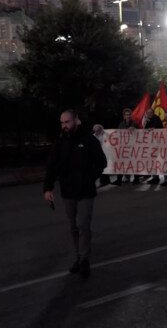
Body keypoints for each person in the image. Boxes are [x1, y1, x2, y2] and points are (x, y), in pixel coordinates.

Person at [43, 110, 107, 279]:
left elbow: (101, 162)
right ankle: (77, 258)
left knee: (84, 226)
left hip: (85, 192)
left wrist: (89, 178)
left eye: (67, 122)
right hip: (68, 193)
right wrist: (47, 188)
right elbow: (52, 165)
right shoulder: (60, 142)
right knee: (74, 227)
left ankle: (85, 260)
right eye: (62, 123)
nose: (65, 125)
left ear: (76, 121)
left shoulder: (88, 140)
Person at [113, 108, 137, 186]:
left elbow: (141, 133)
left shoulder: (135, 123)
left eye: (129, 114)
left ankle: (136, 179)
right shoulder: (121, 124)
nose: (128, 116)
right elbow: (117, 134)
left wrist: (135, 129)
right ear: (124, 116)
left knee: (133, 163)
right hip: (123, 148)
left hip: (133, 147)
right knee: (121, 163)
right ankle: (119, 180)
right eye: (127, 115)